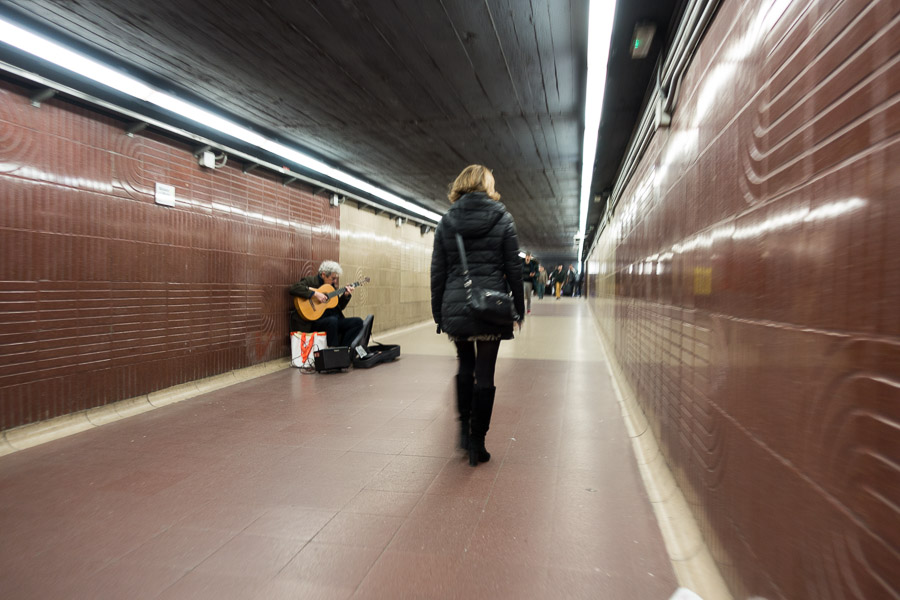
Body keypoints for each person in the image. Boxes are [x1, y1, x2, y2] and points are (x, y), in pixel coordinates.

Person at [430, 165, 524, 467]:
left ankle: (462, 429)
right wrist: (518, 309)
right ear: (487, 185)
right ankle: (477, 443)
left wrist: (438, 313)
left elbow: (438, 272)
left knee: (464, 365)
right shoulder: (503, 218)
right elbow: (513, 269)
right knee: (485, 373)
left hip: (457, 304)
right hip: (491, 307)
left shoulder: (447, 221)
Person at [289, 260, 363, 348]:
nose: (335, 281)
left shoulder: (331, 287)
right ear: (323, 275)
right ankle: (333, 350)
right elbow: (294, 288)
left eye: (336, 278)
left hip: (333, 320)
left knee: (358, 322)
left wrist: (345, 296)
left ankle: (343, 349)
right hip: (314, 322)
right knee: (332, 321)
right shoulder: (311, 281)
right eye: (333, 278)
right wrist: (315, 294)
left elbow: (338, 307)